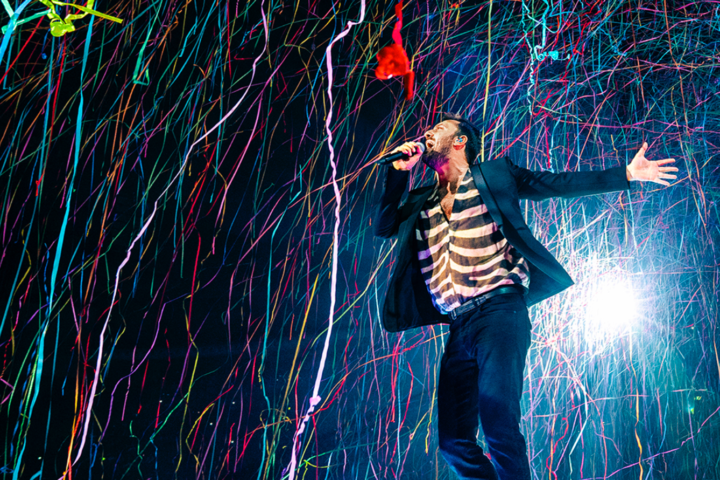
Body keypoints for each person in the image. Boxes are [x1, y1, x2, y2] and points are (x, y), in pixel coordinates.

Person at [373, 113, 677, 480]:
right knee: (452, 442)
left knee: (498, 418)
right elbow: (384, 226)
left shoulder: (494, 174)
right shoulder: (421, 200)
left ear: (459, 141)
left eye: (438, 129)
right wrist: (399, 173)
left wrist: (625, 174)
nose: (426, 133)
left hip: (499, 311)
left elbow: (555, 184)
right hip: (458, 325)